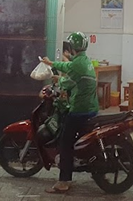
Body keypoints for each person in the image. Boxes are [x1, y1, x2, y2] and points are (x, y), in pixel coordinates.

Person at [39, 32, 99, 194]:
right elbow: (68, 68)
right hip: (91, 107)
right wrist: (54, 64)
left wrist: (57, 77)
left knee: (65, 142)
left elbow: (67, 78)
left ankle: (64, 181)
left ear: (72, 47)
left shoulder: (77, 63)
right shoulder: (84, 61)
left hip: (80, 109)